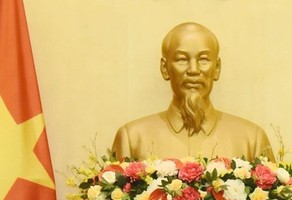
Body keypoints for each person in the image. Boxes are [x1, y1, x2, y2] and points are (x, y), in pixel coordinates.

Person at [111, 22, 274, 161]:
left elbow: (272, 197)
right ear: (165, 68)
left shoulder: (252, 139)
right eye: (182, 59)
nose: (193, 70)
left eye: (203, 59)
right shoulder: (132, 138)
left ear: (216, 68)